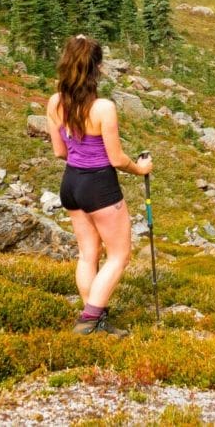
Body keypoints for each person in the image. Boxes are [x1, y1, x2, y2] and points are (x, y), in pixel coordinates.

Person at [47, 34, 152, 336]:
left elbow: (59, 151)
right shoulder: (103, 108)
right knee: (119, 255)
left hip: (71, 183)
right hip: (99, 186)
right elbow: (117, 158)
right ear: (97, 68)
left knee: (87, 253)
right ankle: (90, 321)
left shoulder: (55, 102)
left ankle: (94, 316)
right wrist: (140, 168)